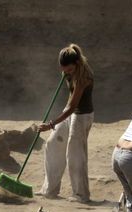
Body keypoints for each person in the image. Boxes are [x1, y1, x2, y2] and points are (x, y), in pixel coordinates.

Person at [35, 43, 95, 203]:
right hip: (71, 112)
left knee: (75, 155)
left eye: (68, 70)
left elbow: (72, 108)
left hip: (82, 116)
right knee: (52, 143)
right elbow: (70, 106)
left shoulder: (84, 77)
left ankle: (81, 195)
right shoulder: (72, 70)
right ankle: (50, 189)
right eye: (63, 70)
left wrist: (50, 124)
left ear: (76, 64)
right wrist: (67, 75)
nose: (65, 73)